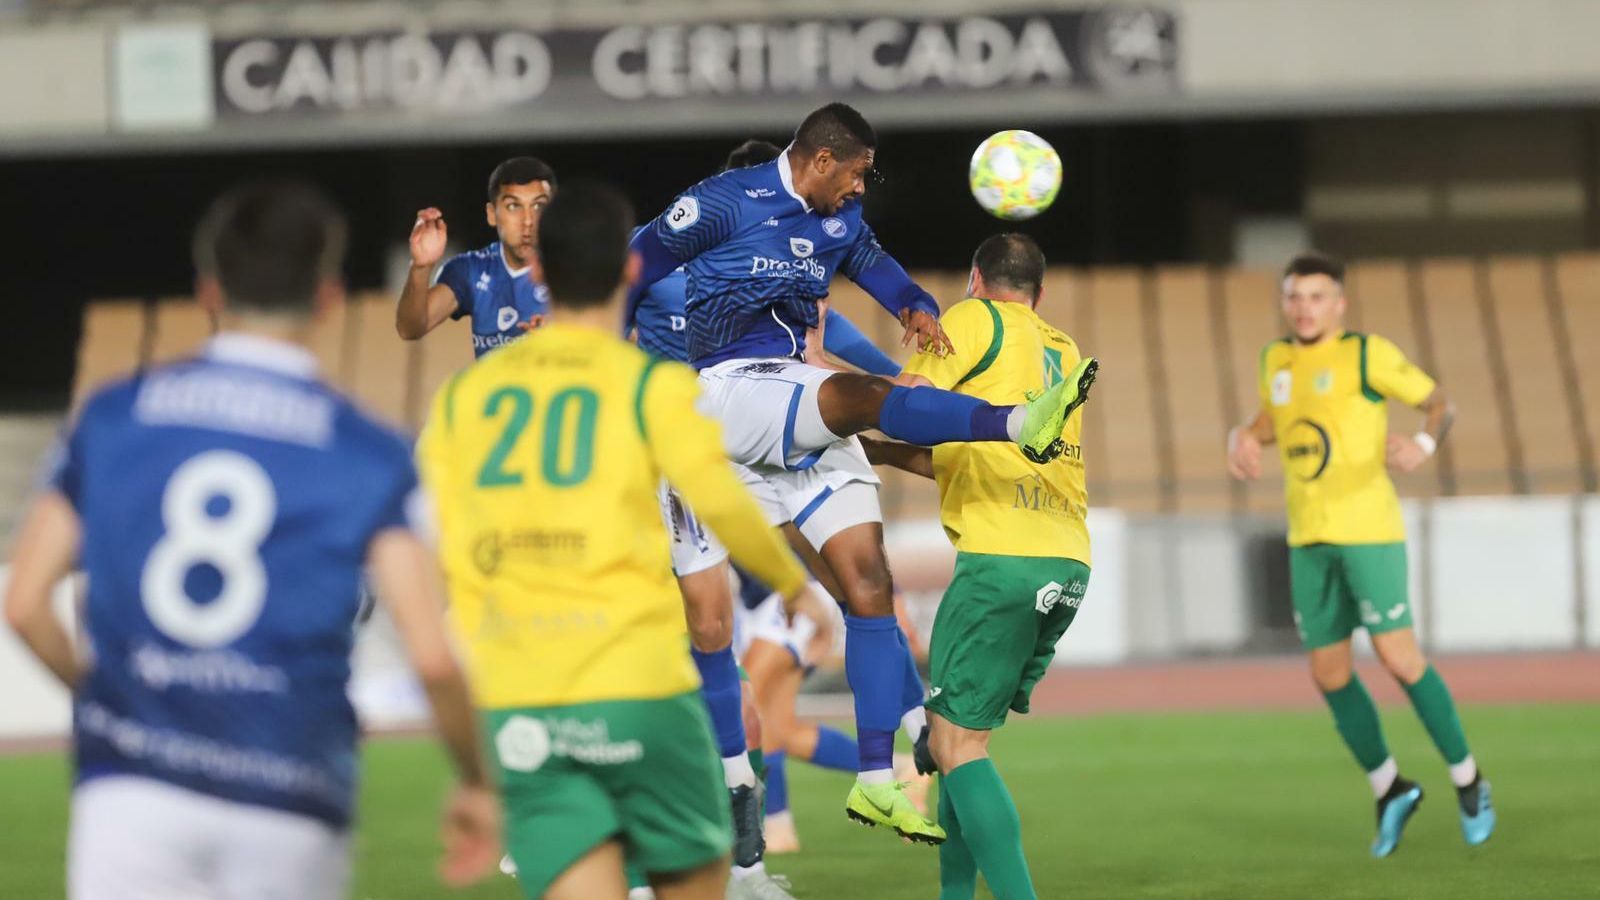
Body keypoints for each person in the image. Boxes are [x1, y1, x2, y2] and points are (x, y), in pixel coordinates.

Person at [4, 181, 499, 900]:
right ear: (328, 298)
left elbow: (24, 604)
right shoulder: (367, 450)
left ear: (209, 292)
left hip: (133, 785)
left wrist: (105, 703)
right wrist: (476, 783)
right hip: (290, 783)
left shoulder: (111, 418)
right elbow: (431, 654)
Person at [628, 101, 1095, 844]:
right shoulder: (720, 203)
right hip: (716, 393)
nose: (859, 190)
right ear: (818, 161)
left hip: (784, 396)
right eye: (853, 176)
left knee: (869, 584)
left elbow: (873, 265)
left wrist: (912, 304)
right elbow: (630, 268)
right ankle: (1015, 423)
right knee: (715, 617)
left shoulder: (837, 222)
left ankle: (876, 781)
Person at [416, 180, 826, 900]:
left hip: (524, 703)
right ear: (632, 271)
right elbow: (723, 503)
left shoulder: (465, 398)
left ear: (539, 274)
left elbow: (431, 536)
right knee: (705, 880)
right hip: (638, 689)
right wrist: (797, 588)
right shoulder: (650, 388)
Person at [631, 137, 913, 888]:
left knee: (765, 673)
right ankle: (747, 824)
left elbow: (841, 342)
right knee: (710, 656)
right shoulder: (669, 276)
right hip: (685, 463)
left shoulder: (768, 281)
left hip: (750, 472)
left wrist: (903, 388)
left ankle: (759, 836)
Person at [1226, 251, 1493, 857]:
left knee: (1400, 659)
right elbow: (1272, 420)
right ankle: (1390, 787)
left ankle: (1470, 780)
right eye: (1295, 296)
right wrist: (1241, 435)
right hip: (1308, 537)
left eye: (1318, 297)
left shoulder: (1367, 354)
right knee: (1328, 673)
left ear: (1339, 304)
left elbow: (1439, 402)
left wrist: (1424, 442)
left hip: (1368, 529)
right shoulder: (1276, 359)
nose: (1305, 307)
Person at [863, 233, 1096, 899]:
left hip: (1002, 556)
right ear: (1040, 295)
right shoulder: (1062, 349)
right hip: (1067, 558)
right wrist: (878, 454)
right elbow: (977, 452)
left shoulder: (971, 319)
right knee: (954, 744)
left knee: (957, 750)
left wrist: (839, 407)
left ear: (974, 278)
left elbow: (907, 405)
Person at [398, 157, 556, 354]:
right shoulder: (470, 270)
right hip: (497, 386)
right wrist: (420, 266)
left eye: (538, 206)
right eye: (513, 206)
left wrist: (563, 336)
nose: (528, 221)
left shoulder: (575, 268)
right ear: (492, 214)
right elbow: (409, 329)